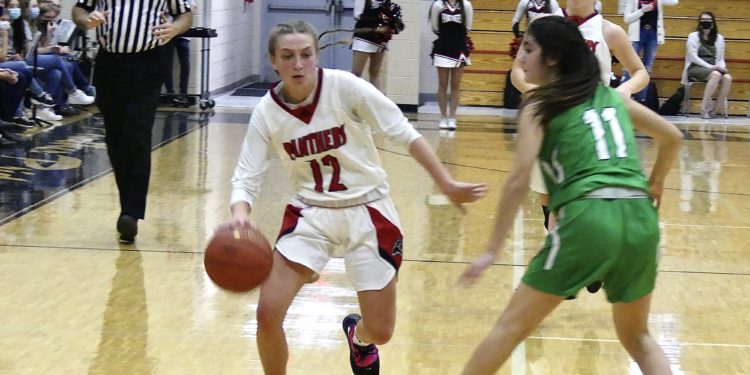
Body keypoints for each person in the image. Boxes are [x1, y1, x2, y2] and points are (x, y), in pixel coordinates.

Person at [227, 20, 486, 375]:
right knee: (267, 312)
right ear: (274, 61)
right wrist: (241, 214)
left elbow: (403, 131)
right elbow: (246, 175)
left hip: (368, 210)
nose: (298, 64)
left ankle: (358, 337)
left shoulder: (345, 87)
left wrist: (446, 182)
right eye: (288, 57)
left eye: (306, 55)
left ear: (317, 56)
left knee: (381, 331)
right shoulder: (267, 112)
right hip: (311, 214)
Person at [459, 16, 682, 374]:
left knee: (510, 327)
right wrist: (656, 182)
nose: (521, 58)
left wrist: (490, 250)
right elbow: (673, 137)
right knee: (639, 338)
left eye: (529, 49)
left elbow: (518, 180)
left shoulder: (540, 104)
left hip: (589, 217)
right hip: (642, 221)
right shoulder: (610, 96)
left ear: (552, 59)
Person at [511, 0, 649, 294]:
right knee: (549, 199)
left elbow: (640, 72)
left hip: (589, 126)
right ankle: (573, 260)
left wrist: (623, 88)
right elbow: (517, 74)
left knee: (586, 196)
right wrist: (544, 93)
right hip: (551, 121)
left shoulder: (609, 31)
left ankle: (586, 260)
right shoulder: (544, 26)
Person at [72, 0, 192, 243]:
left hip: (148, 63)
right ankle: (128, 203)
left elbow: (185, 15)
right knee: (116, 137)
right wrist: (86, 21)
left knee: (137, 133)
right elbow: (79, 9)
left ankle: (131, 212)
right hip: (109, 63)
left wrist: (176, 28)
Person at [622, 0, 679, 103]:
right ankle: (625, 98)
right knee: (629, 66)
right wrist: (642, 10)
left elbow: (674, 2)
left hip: (653, 35)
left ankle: (641, 100)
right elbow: (627, 19)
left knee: (647, 68)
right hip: (637, 35)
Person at [429, 0, 474, 131]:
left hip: (459, 48)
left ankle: (452, 117)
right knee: (442, 84)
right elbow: (435, 27)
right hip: (442, 47)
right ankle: (443, 117)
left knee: (455, 85)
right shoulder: (438, 5)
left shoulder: (466, 5)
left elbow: (468, 27)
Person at [681, 11, 731, 119]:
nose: (705, 22)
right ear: (699, 23)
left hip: (714, 67)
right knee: (716, 75)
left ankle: (715, 111)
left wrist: (723, 67)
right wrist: (711, 67)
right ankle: (703, 108)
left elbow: (721, 58)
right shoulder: (693, 36)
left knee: (727, 78)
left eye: (708, 20)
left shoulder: (719, 38)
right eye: (703, 20)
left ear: (713, 23)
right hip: (695, 67)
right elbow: (692, 57)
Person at [351, 0, 404, 91]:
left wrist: (394, 24)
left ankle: (375, 102)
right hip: (364, 36)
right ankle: (351, 101)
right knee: (356, 73)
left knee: (375, 73)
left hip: (380, 38)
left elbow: (390, 13)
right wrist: (378, 22)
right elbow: (357, 15)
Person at [163, 0, 196, 107]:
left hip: (182, 31)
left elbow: (192, 9)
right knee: (167, 63)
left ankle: (183, 94)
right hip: (167, 31)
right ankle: (170, 94)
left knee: (184, 63)